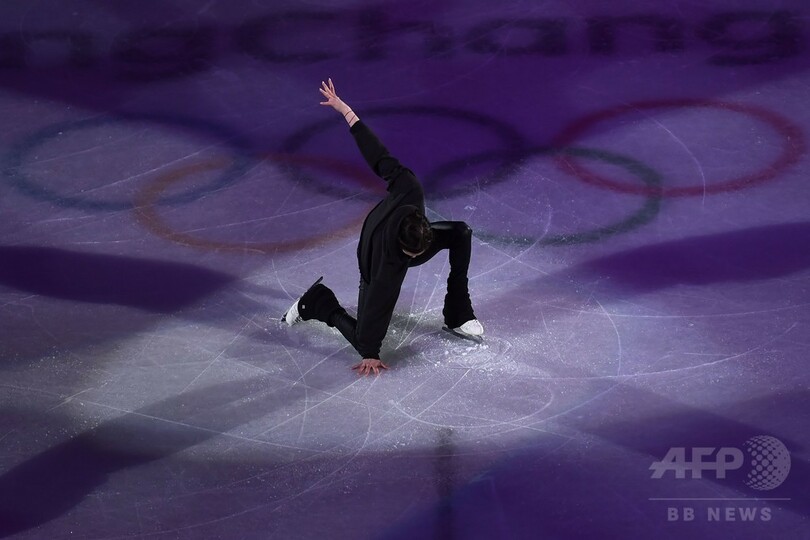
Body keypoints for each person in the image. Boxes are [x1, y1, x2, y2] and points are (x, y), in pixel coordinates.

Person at [282, 79, 483, 376]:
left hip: (406, 239)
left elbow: (377, 155)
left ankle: (457, 312)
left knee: (460, 233)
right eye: (411, 255)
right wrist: (370, 353)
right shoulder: (385, 267)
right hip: (371, 260)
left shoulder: (409, 190)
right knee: (365, 337)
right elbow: (379, 311)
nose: (415, 259)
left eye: (419, 252)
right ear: (403, 251)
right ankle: (318, 302)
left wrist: (346, 111)